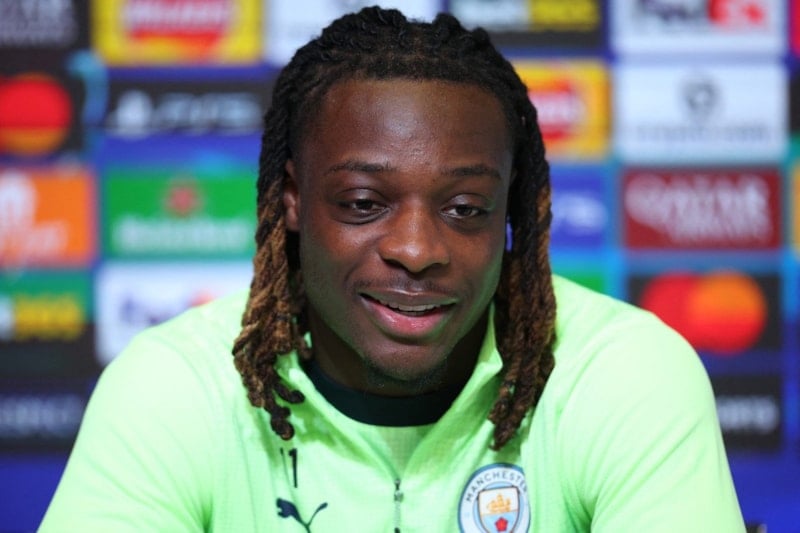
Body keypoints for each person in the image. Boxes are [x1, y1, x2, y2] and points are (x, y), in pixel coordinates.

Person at [40, 6, 745, 532]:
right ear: (292, 200)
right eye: (363, 203)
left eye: (465, 208)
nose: (416, 248)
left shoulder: (622, 372)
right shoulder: (176, 387)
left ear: (509, 212)